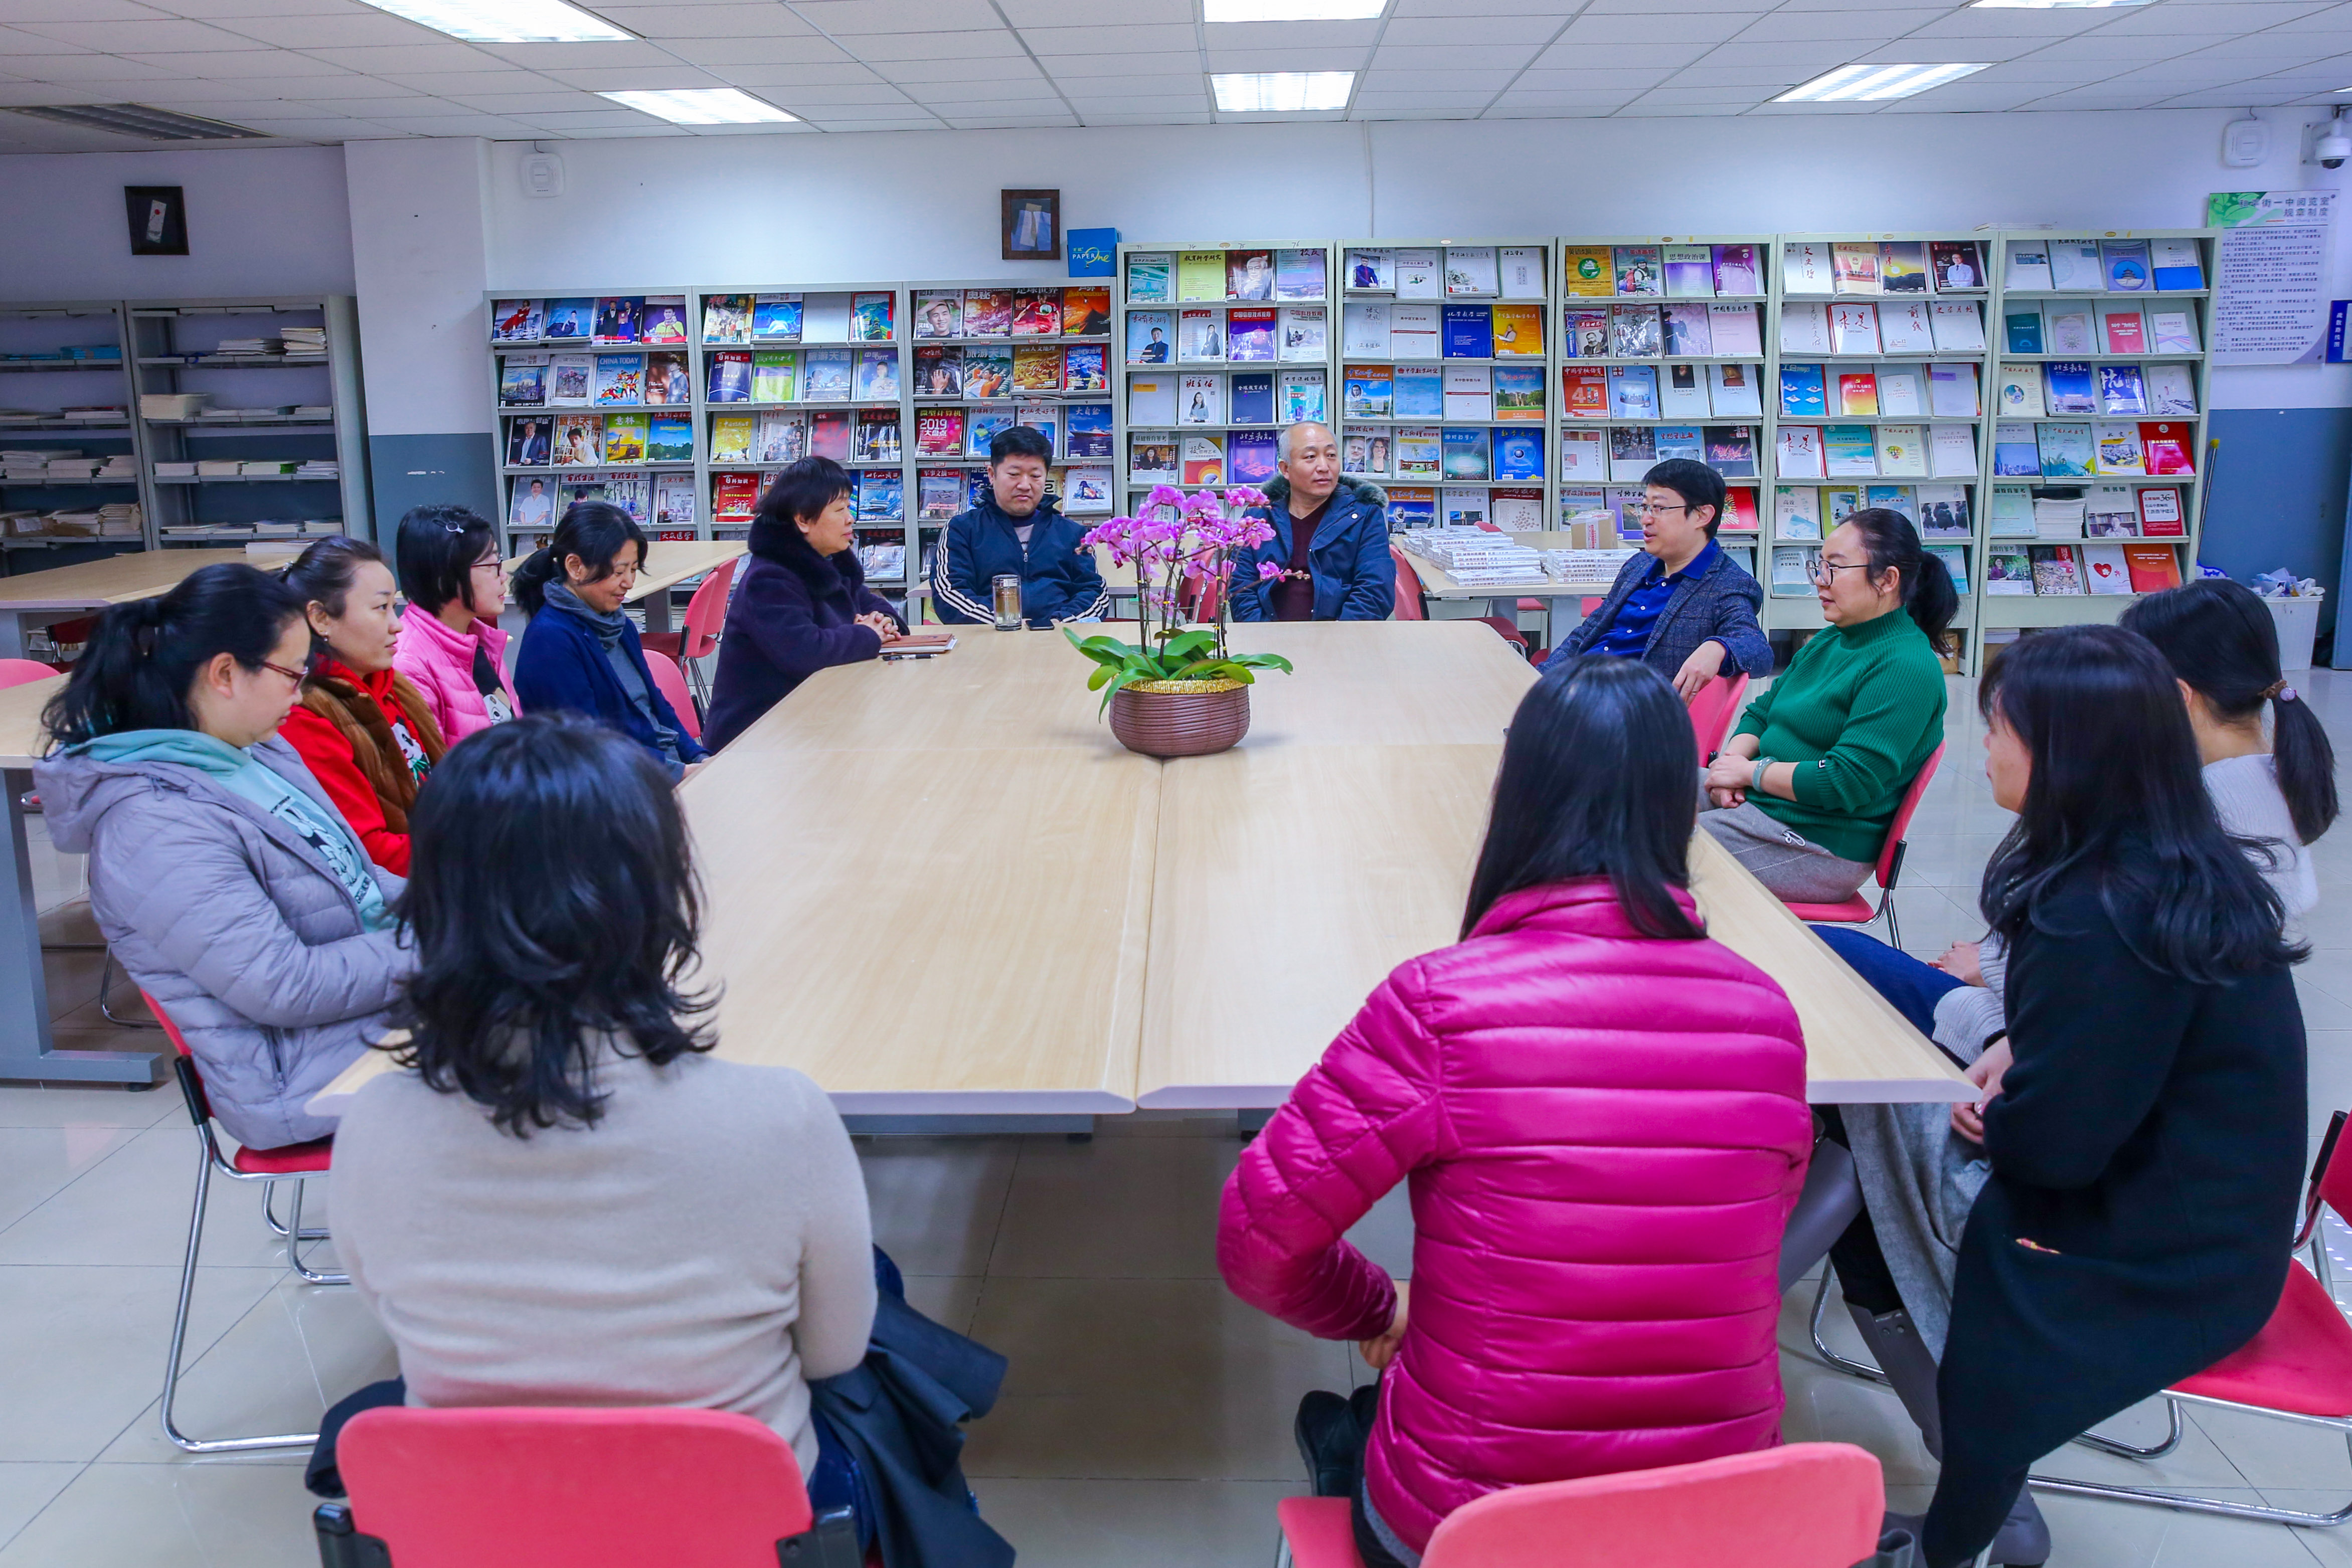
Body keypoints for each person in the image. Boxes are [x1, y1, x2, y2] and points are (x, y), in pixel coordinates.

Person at [1218, 657, 1813, 1568]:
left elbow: (1258, 1234)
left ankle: (1351, 1452)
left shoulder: (1440, 1004)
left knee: (1380, 1422)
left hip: (1475, 1526)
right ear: (1678, 808)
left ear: (1514, 793)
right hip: (1715, 1523)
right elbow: (1752, 1225)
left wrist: (1377, 1303)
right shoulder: (1767, 1014)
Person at [327, 715, 883, 1540]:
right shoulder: (781, 1114)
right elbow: (835, 1353)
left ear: (438, 900)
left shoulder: (372, 1123)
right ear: (656, 893)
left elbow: (392, 1310)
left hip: (479, 1530)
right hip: (729, 1525)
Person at [1869, 628, 2302, 1568]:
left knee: (1878, 1135)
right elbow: (2110, 1053)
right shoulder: (2162, 859)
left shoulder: (2099, 905)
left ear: (2065, 749)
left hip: (2162, 1254)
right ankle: (1967, 1508)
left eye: (1998, 726)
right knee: (1883, 1100)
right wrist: (2020, 1054)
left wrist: (2003, 1109)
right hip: (2211, 1219)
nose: (1986, 746)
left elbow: (2053, 1151)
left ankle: (1962, 1531)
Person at [34, 564, 409, 1150]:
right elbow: (284, 986)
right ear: (226, 673)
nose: (300, 693)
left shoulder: (255, 750)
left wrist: (469, 905)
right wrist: (448, 945)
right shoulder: (154, 824)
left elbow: (358, 878)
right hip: (300, 1073)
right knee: (546, 1027)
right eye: (292, 674)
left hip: (369, 1007)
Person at [1699, 507, 1953, 902]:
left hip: (1815, 841)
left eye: (1834, 568)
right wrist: (1728, 768)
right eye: (1819, 566)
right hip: (1762, 801)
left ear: (1887, 580)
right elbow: (1763, 712)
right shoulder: (1833, 638)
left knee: (1638, 848)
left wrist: (1750, 773)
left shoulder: (1905, 667)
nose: (1820, 579)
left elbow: (1846, 780)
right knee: (1626, 791)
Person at [704, 457, 907, 751]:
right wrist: (867, 634)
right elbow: (805, 653)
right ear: (802, 520)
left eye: (849, 507)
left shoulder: (828, 561)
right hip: (757, 738)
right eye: (840, 510)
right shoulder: (769, 580)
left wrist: (884, 623)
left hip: (816, 719)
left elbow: (875, 606)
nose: (850, 518)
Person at [275, 537, 447, 875]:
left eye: (394, 606)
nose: (397, 624)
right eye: (381, 608)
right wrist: (479, 849)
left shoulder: (389, 683)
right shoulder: (305, 714)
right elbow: (368, 851)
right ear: (321, 618)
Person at [1542, 458, 1772, 699]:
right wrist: (1541, 679)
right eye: (1645, 507)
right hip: (1574, 689)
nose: (1645, 519)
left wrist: (1719, 648)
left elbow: (1758, 651)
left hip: (1623, 707)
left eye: (1659, 508)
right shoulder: (1638, 565)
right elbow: (1588, 632)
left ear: (1702, 515)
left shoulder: (1728, 585)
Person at [511, 500, 706, 781]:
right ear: (575, 567)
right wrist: (680, 772)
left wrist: (698, 757)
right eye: (619, 572)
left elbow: (656, 706)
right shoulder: (550, 641)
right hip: (614, 789)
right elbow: (586, 745)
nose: (629, 582)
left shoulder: (618, 623)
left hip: (658, 773)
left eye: (634, 570)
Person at [928, 425, 1109, 628]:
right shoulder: (961, 530)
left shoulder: (1073, 533)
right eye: (1014, 474)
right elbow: (950, 595)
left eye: (1035, 476)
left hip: (1059, 635)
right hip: (989, 639)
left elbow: (1093, 592)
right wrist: (1007, 624)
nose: (1025, 485)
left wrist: (1056, 625)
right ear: (992, 475)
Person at [1226, 422, 1395, 622]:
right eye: (1310, 457)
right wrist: (1265, 635)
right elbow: (1241, 587)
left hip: (1342, 635)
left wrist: (1338, 636)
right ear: (1285, 469)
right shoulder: (1259, 517)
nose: (1324, 467)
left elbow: (1375, 590)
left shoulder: (1364, 515)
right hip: (1267, 635)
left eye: (1331, 455)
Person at [392, 502, 520, 745]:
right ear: (444, 576)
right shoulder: (408, 665)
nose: (504, 576)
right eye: (492, 565)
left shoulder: (479, 640)